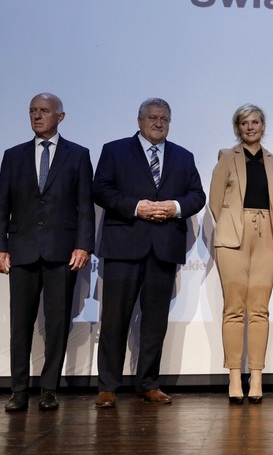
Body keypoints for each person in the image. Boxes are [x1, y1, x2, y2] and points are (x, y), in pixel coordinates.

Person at [92, 98, 206, 408]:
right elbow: (100, 189)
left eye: (164, 118)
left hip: (164, 249)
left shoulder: (184, 156)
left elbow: (197, 196)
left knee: (155, 322)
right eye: (153, 117)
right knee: (115, 320)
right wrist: (136, 207)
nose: (158, 123)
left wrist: (175, 207)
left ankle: (148, 384)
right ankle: (108, 387)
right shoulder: (114, 150)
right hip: (123, 247)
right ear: (140, 120)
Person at [0, 93, 95, 412]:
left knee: (59, 322)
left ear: (60, 117)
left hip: (62, 252)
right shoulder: (13, 155)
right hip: (21, 251)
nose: (37, 116)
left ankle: (49, 388)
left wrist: (84, 244)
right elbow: (0, 206)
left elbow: (85, 206)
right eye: (32, 111)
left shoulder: (78, 155)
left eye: (44, 111)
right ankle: (18, 390)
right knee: (19, 324)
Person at [209, 104, 273, 405]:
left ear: (263, 125)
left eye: (255, 122)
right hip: (232, 235)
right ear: (237, 128)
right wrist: (231, 225)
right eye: (244, 123)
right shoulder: (227, 156)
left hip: (266, 234)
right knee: (234, 309)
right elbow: (215, 201)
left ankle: (256, 376)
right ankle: (233, 378)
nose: (250, 127)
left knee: (259, 309)